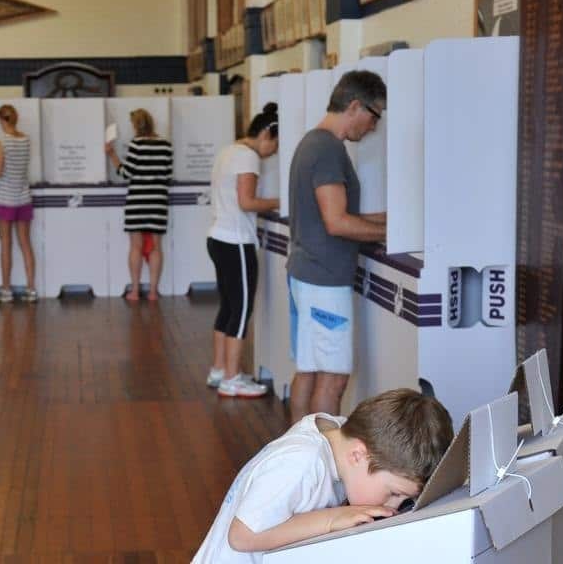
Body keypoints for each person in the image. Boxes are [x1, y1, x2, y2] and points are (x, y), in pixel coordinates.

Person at [193, 388, 453, 563]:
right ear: (358, 455)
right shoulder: (301, 462)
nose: (392, 506)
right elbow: (242, 536)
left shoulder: (340, 435)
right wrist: (332, 518)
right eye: (394, 493)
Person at [287, 71, 387, 423]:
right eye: (374, 116)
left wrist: (387, 222)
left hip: (306, 272)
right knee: (333, 378)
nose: (374, 126)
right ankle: (326, 469)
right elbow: (337, 221)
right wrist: (385, 231)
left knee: (309, 370)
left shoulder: (311, 143)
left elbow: (333, 214)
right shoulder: (328, 149)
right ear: (355, 106)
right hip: (325, 282)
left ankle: (299, 458)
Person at [205, 103, 280, 398]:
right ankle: (233, 378)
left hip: (217, 237)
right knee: (241, 309)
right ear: (266, 134)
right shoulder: (248, 156)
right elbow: (247, 202)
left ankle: (220, 369)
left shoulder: (228, 150)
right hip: (236, 241)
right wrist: (280, 201)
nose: (273, 151)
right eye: (275, 143)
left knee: (228, 306)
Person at [105, 109, 173, 301]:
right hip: (158, 201)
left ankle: (135, 290)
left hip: (137, 202)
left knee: (136, 246)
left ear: (135, 126)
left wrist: (112, 155)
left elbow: (125, 173)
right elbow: (167, 175)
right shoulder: (166, 145)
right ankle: (153, 291)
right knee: (157, 247)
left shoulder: (136, 145)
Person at [0, 104, 38, 303]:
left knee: (5, 245)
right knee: (26, 244)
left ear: (1, 120)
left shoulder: (2, 142)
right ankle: (31, 289)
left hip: (5, 199)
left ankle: (6, 290)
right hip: (24, 198)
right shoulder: (26, 139)